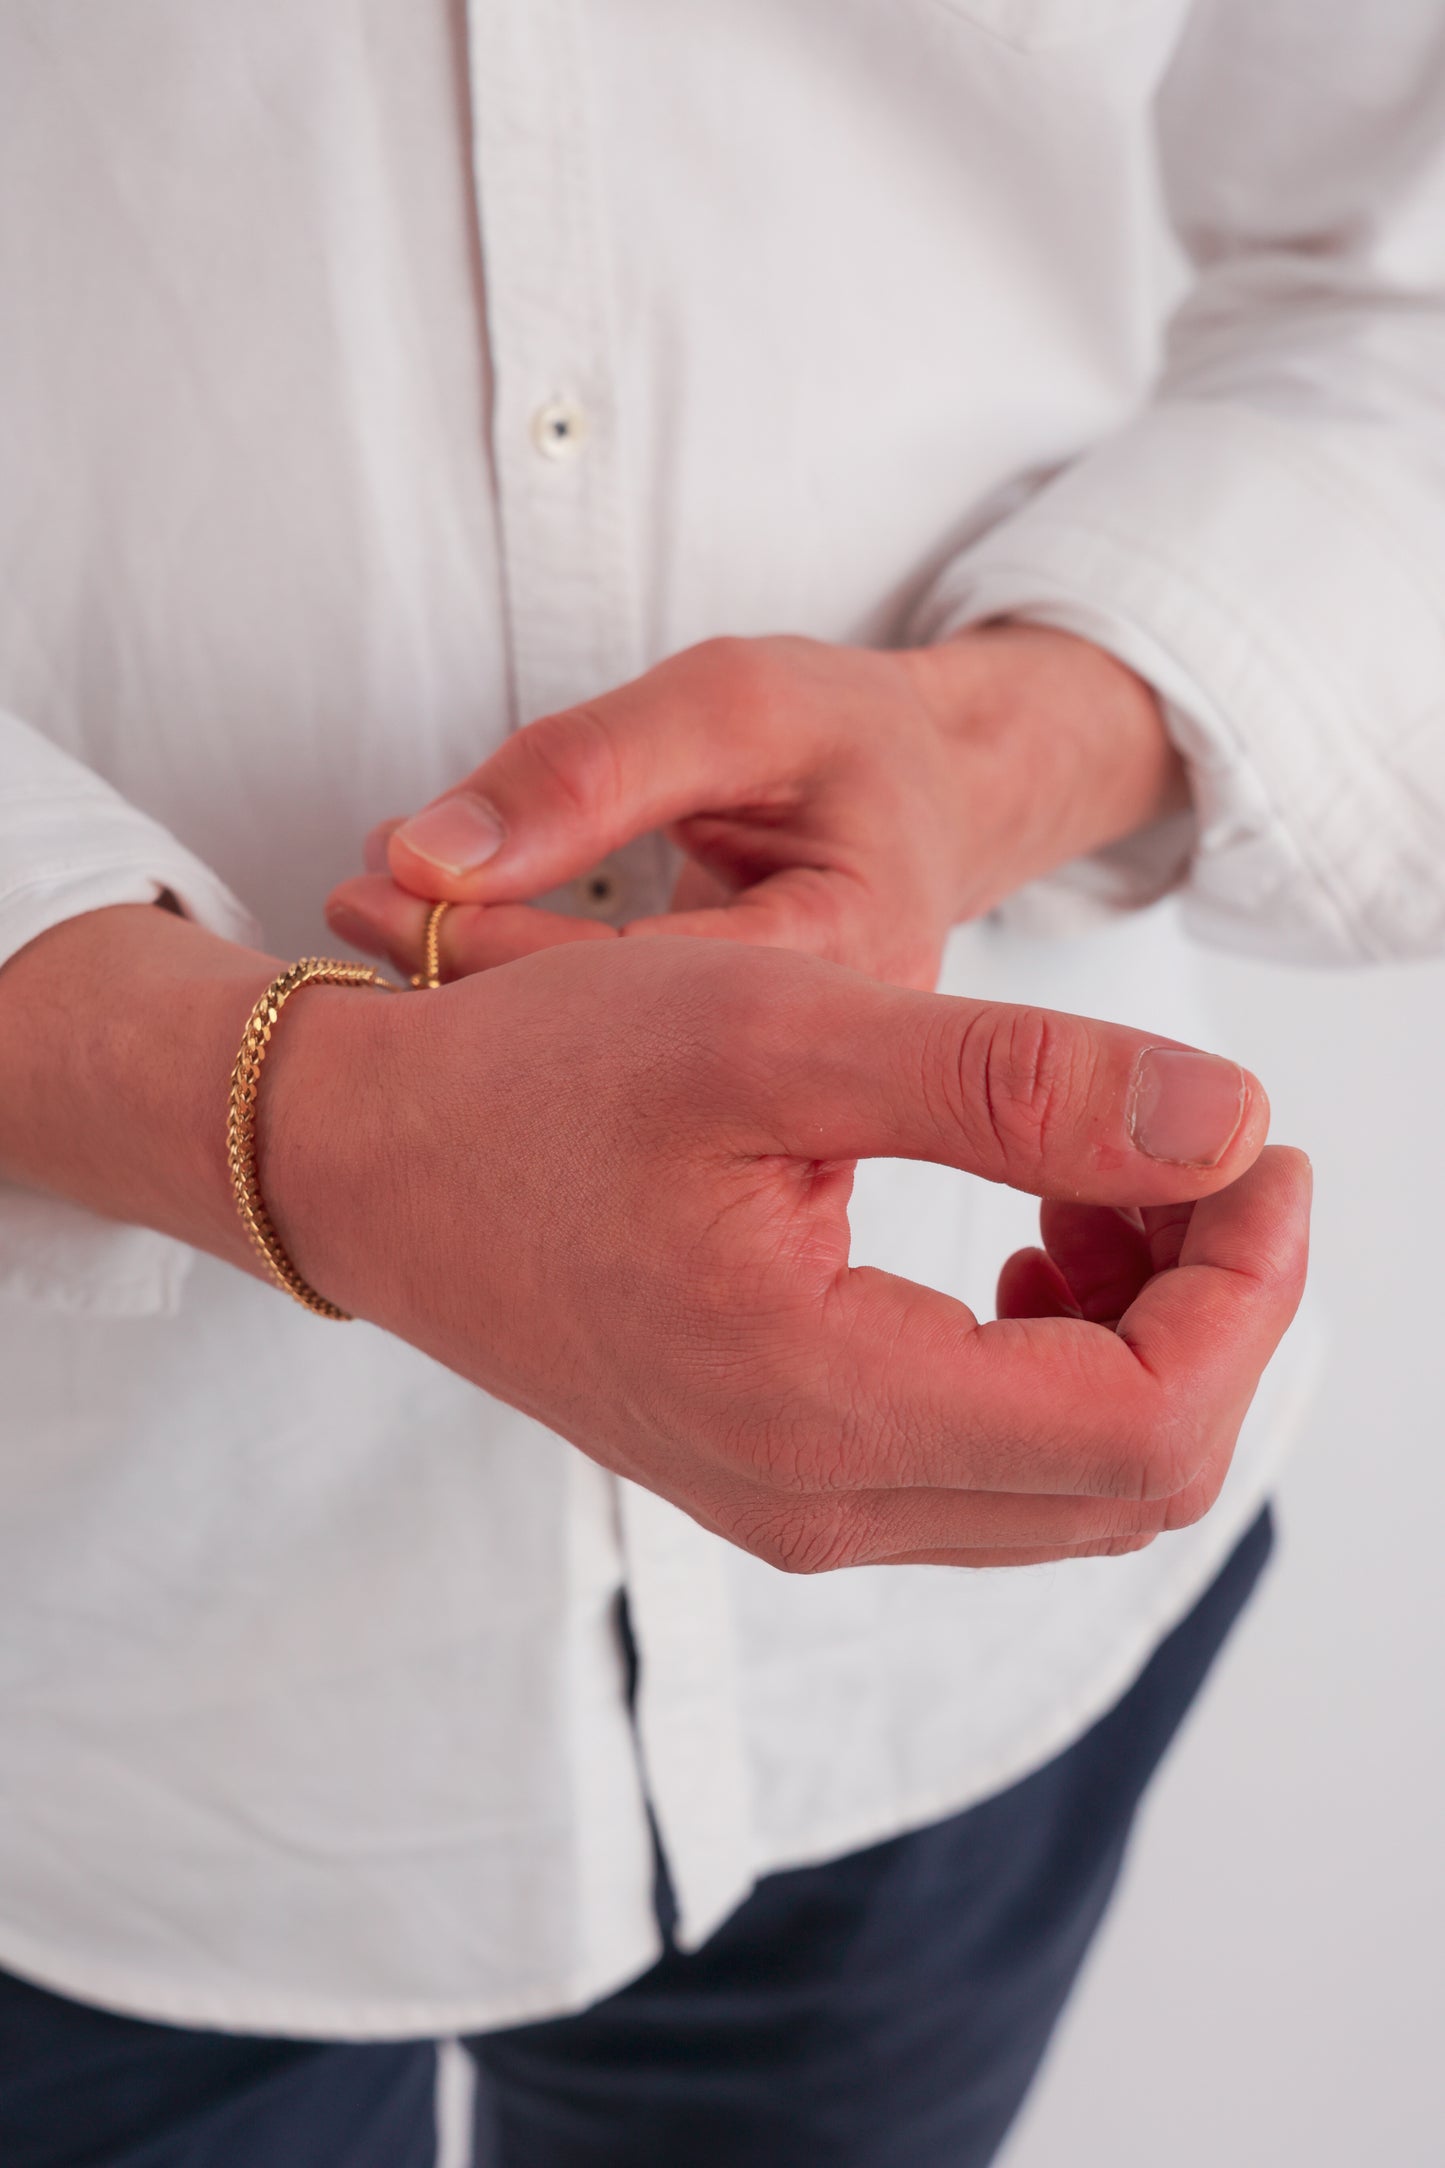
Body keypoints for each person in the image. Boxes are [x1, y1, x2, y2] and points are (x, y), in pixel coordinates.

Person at [0, 3, 1440, 2162]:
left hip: (968, 1640)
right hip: (90, 1695)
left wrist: (1004, 743)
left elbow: (1400, 275)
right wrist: (312, 1124)